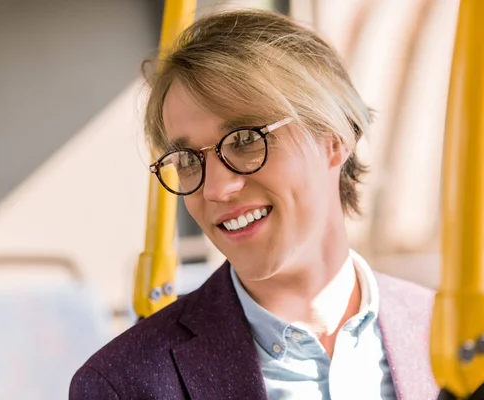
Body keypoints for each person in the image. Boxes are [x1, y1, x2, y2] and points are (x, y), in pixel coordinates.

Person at [70, 9, 437, 400]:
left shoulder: (449, 337)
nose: (216, 189)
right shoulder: (125, 384)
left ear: (333, 139)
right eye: (188, 161)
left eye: (245, 140)